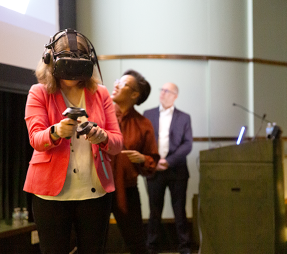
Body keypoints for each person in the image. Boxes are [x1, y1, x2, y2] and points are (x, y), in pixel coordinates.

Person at [24, 29, 123, 254]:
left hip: (95, 192)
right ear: (50, 62)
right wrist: (56, 131)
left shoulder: (101, 93)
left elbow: (117, 143)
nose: (73, 73)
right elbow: (36, 139)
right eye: (68, 64)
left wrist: (102, 136)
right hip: (50, 193)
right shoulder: (38, 92)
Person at [108, 69, 160, 254]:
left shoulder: (143, 124)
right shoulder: (100, 114)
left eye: (123, 84)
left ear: (135, 94)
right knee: (91, 244)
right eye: (117, 81)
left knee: (137, 244)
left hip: (127, 190)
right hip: (96, 188)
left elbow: (152, 160)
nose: (116, 85)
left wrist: (142, 158)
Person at [144, 82, 193, 254]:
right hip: (154, 171)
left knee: (180, 212)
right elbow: (144, 142)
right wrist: (154, 162)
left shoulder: (184, 117)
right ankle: (151, 247)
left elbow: (187, 145)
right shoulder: (148, 114)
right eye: (162, 90)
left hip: (177, 171)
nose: (162, 93)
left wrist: (169, 161)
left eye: (167, 91)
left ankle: (185, 247)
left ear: (175, 95)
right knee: (154, 212)